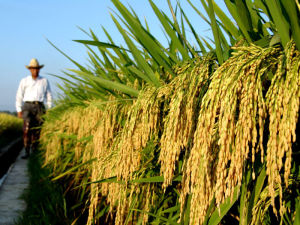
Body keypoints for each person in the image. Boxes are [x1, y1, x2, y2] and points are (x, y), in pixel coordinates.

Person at [16, 58, 52, 159]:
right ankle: (27, 151)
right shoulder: (24, 81)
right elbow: (19, 95)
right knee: (27, 129)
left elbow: (49, 95)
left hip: (39, 106)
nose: (35, 71)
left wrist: (49, 108)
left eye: (36, 69)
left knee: (37, 130)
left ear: (39, 69)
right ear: (30, 69)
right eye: (33, 69)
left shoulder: (44, 81)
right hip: (27, 106)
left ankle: (35, 151)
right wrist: (19, 109)